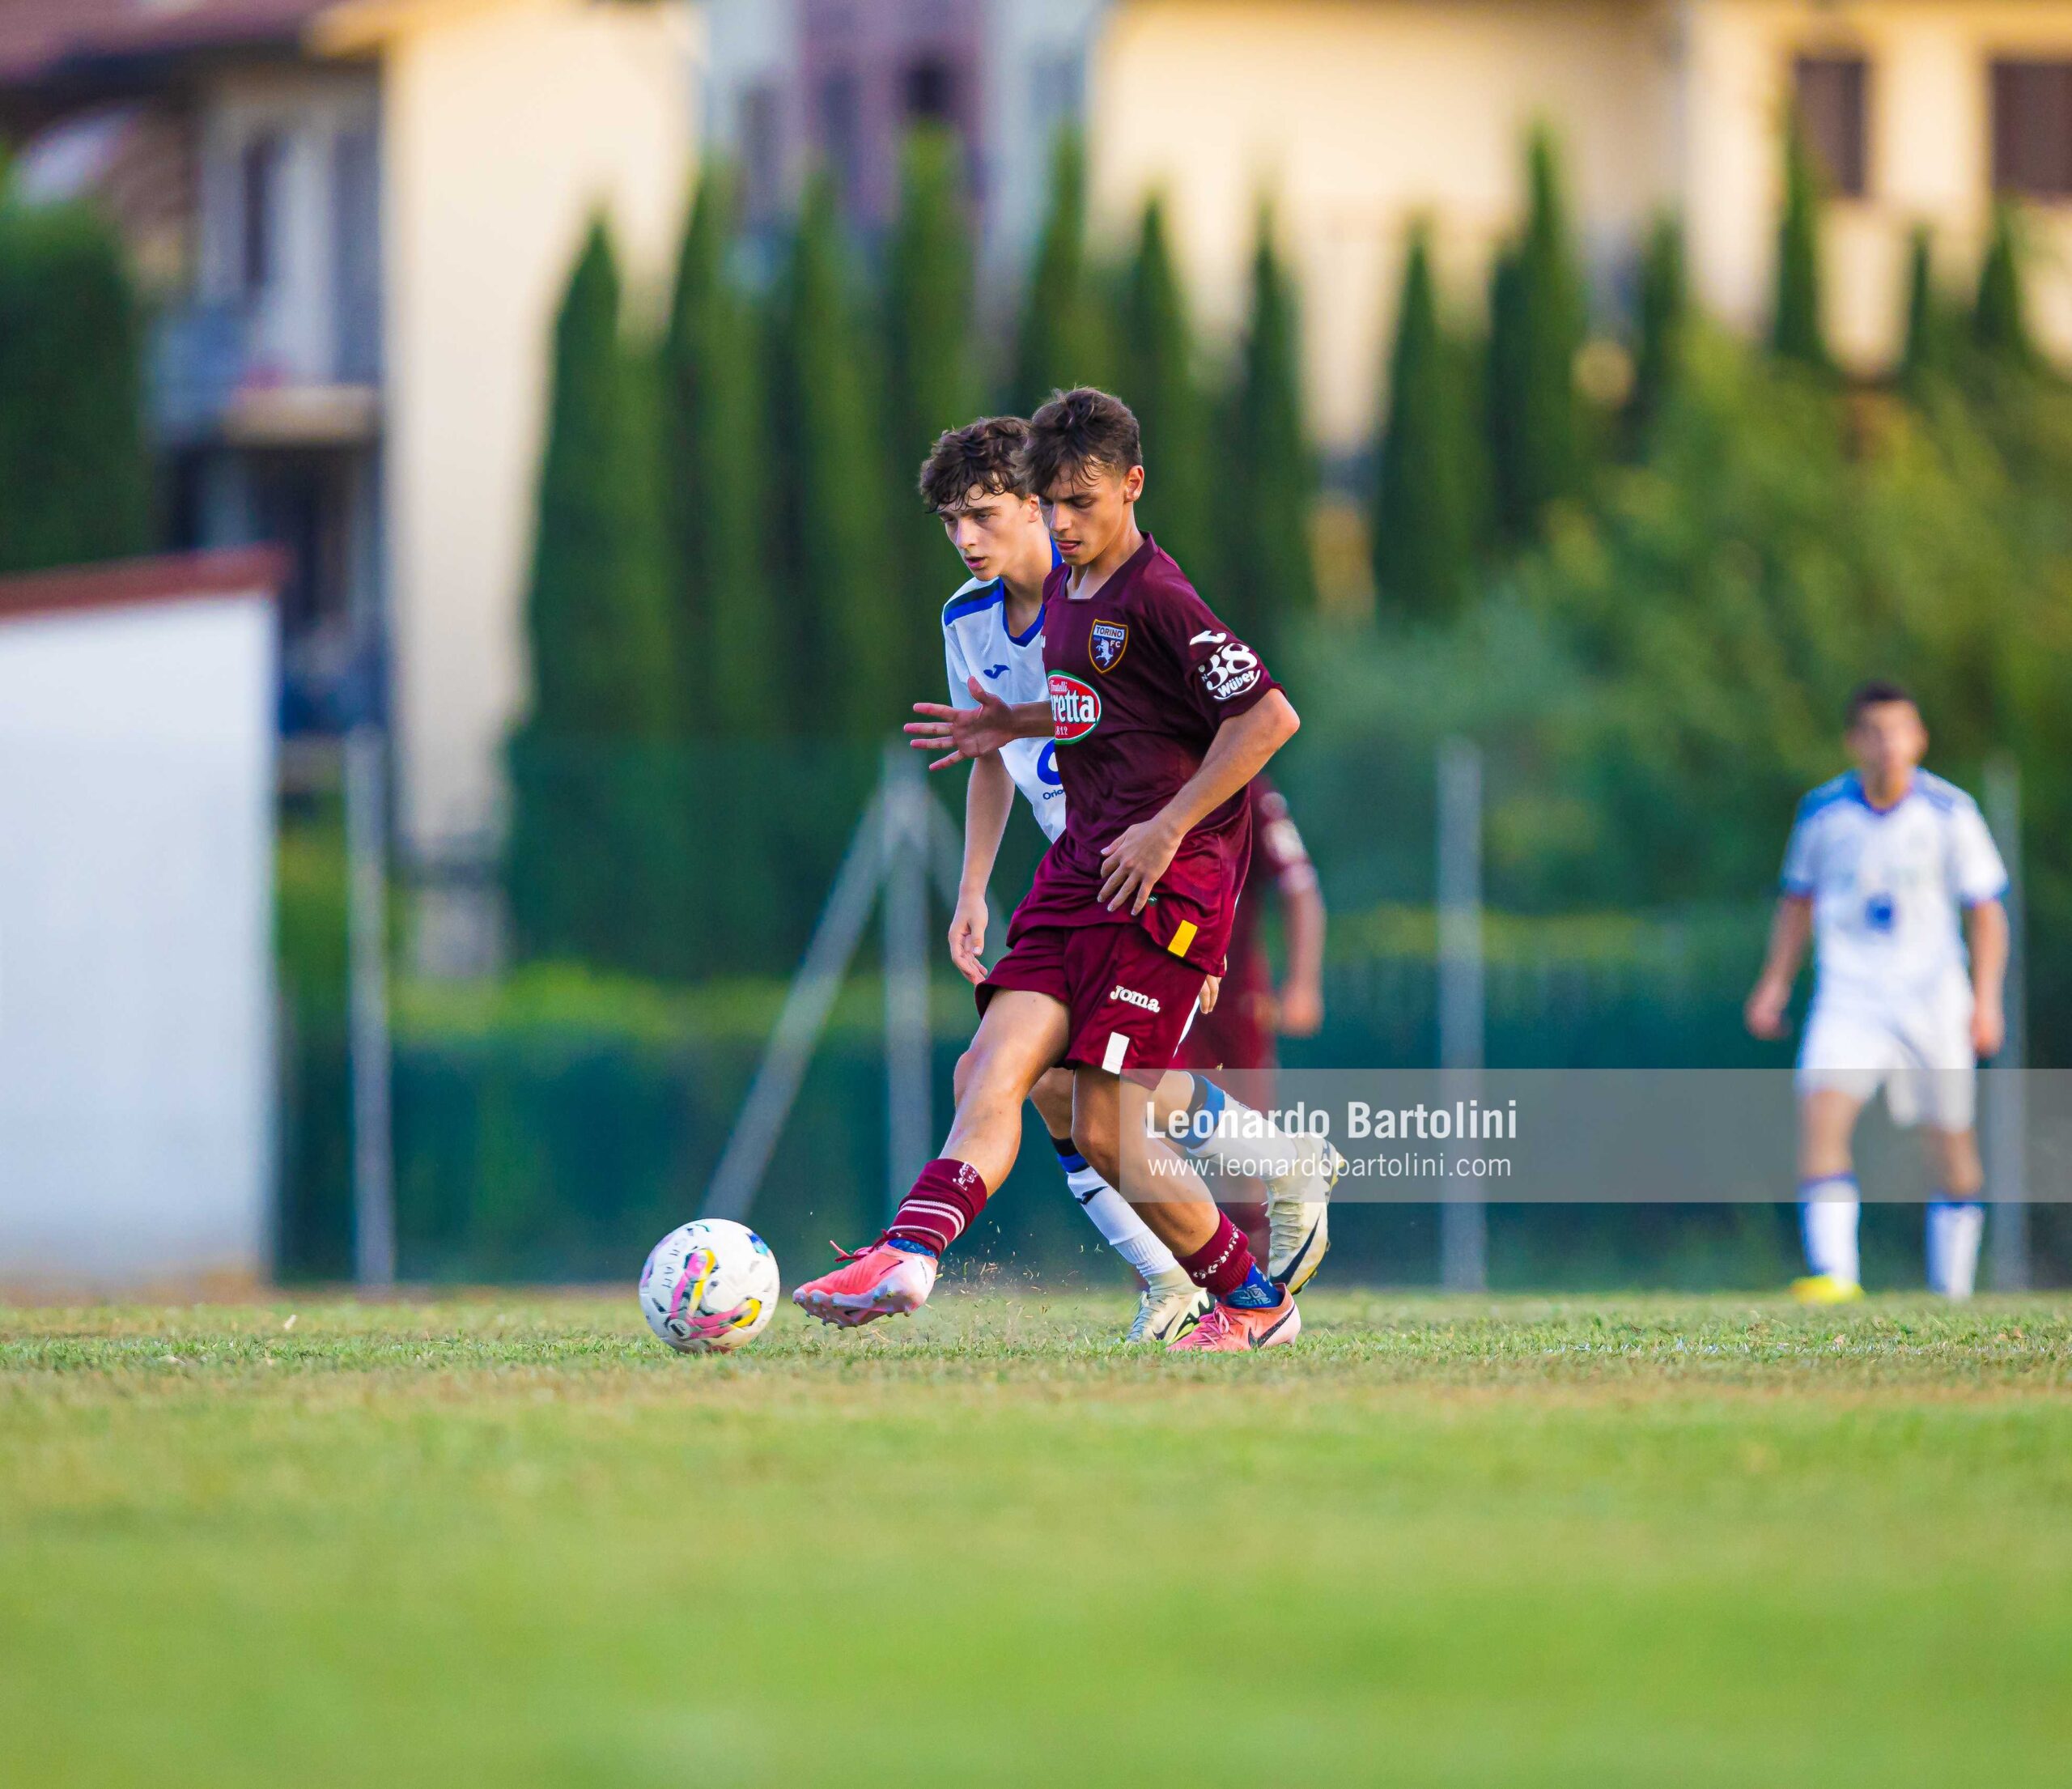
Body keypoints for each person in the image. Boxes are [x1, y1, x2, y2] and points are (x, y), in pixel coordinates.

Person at [792, 387, 1308, 1351]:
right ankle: (908, 1253)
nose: (1063, 524)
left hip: (1165, 884)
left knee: (1111, 1129)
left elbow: (1269, 717)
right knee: (991, 1064)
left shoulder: (1156, 594)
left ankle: (1254, 1302)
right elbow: (1100, 706)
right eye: (1053, 503)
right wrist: (1010, 725)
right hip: (1077, 867)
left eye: (1078, 503)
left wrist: (1166, 826)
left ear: (1131, 487)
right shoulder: (1058, 591)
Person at [1745, 681, 2010, 1302]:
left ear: (1918, 739)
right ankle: (1836, 1278)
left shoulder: (1951, 813)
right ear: (1854, 741)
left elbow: (1987, 913)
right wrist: (1774, 984)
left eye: (1900, 731)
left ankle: (1954, 1290)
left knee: (1950, 1148)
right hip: (1851, 995)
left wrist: (1986, 998)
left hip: (1932, 998)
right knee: (1821, 1116)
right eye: (1875, 731)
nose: (1888, 744)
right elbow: (1797, 904)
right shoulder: (1823, 813)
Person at [1173, 775, 1325, 1268]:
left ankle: (1255, 1281)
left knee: (1239, 1151)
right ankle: (1163, 1288)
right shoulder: (1136, 764)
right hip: (1156, 983)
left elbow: (1299, 887)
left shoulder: (1247, 787)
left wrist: (1302, 983)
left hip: (1233, 998)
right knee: (1142, 1139)